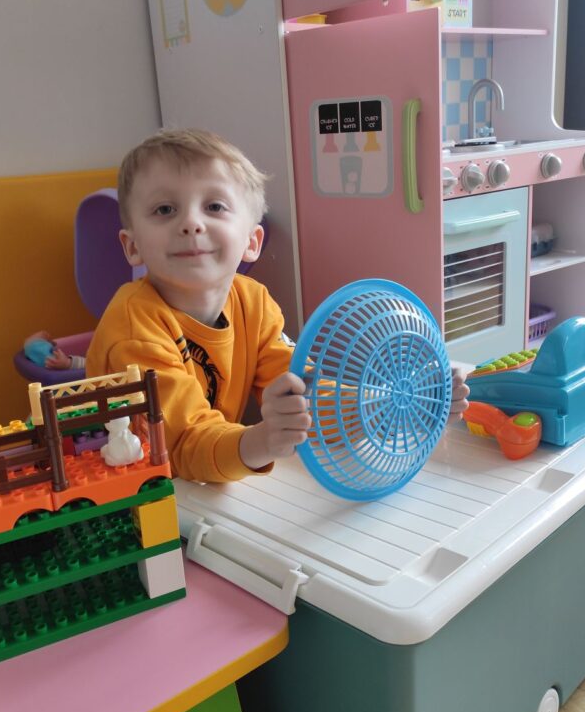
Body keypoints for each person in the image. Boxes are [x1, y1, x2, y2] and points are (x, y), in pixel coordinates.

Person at [86, 128, 468, 482]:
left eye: (214, 206)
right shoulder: (135, 329)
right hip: (140, 495)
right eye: (165, 210)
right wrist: (262, 440)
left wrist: (397, 406)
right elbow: (182, 446)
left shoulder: (253, 303)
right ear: (132, 246)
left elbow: (308, 394)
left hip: (204, 484)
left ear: (252, 242)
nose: (191, 223)